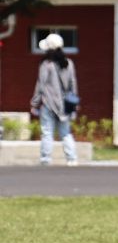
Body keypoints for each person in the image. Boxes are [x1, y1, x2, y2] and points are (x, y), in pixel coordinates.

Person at [32, 33, 80, 167]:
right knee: (65, 133)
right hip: (64, 106)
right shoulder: (69, 63)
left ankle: (45, 159)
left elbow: (40, 85)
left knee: (47, 133)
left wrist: (35, 103)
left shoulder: (46, 64)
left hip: (48, 104)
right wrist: (74, 103)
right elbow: (73, 84)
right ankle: (72, 159)